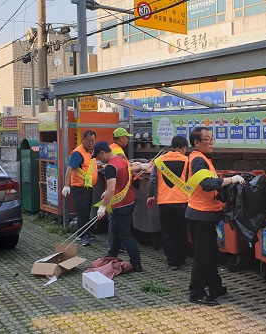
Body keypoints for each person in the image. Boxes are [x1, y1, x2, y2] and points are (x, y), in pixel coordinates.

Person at [186, 127, 245, 306]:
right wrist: (231, 180)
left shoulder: (203, 159)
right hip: (200, 214)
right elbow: (206, 184)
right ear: (196, 143)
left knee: (210, 253)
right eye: (207, 139)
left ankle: (215, 286)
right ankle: (196, 292)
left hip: (206, 213)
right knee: (203, 255)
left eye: (212, 139)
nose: (211, 142)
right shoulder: (198, 159)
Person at [92, 141, 143, 272]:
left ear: (102, 153)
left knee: (125, 234)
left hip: (121, 206)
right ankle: (112, 255)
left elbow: (111, 189)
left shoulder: (110, 167)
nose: (99, 160)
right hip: (129, 201)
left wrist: (102, 207)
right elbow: (122, 180)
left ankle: (136, 264)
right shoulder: (122, 160)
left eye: (98, 157)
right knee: (116, 230)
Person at [146, 136, 189, 270]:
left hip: (165, 201)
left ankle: (172, 262)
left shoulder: (159, 161)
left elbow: (152, 181)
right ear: (183, 148)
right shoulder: (187, 160)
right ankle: (182, 258)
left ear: (171, 146)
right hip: (182, 201)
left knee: (168, 232)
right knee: (181, 231)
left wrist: (150, 195)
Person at [62, 130, 98, 246]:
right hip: (79, 188)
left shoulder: (91, 152)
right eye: (88, 141)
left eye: (93, 141)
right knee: (82, 212)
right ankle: (83, 236)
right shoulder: (78, 153)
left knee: (86, 211)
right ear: (83, 140)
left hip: (88, 187)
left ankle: (86, 232)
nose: (91, 143)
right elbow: (69, 169)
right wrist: (66, 186)